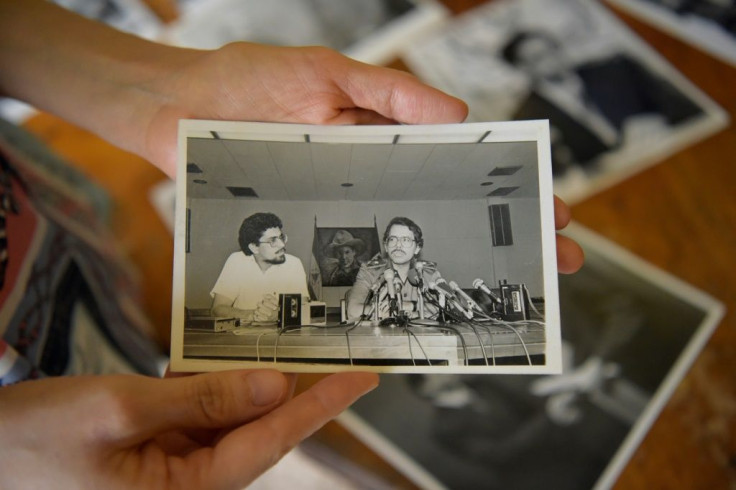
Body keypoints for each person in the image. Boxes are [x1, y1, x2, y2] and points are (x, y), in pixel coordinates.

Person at [0, 1, 583, 488]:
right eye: (396, 238)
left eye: (410, 239)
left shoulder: (426, 272)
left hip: (55, 252)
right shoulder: (346, 272)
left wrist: (162, 92)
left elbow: (446, 304)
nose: (402, 246)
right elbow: (333, 311)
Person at [500, 30, 703, 175]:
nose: (550, 59)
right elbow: (552, 177)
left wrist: (658, 121)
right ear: (522, 69)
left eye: (551, 50)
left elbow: (688, 109)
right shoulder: (525, 119)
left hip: (673, 157)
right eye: (536, 58)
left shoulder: (616, 70)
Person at [210, 212, 309, 324]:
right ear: (254, 247)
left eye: (281, 237)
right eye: (272, 240)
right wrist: (253, 315)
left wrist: (278, 315)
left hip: (283, 337)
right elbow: (217, 309)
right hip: (242, 337)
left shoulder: (294, 264)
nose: (282, 244)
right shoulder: (236, 261)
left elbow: (304, 310)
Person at [346, 216, 442, 320]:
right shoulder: (370, 271)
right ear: (386, 246)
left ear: (417, 248)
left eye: (405, 240)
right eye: (392, 239)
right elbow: (353, 310)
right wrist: (391, 313)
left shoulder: (428, 273)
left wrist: (411, 305)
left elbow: (445, 308)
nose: (398, 245)